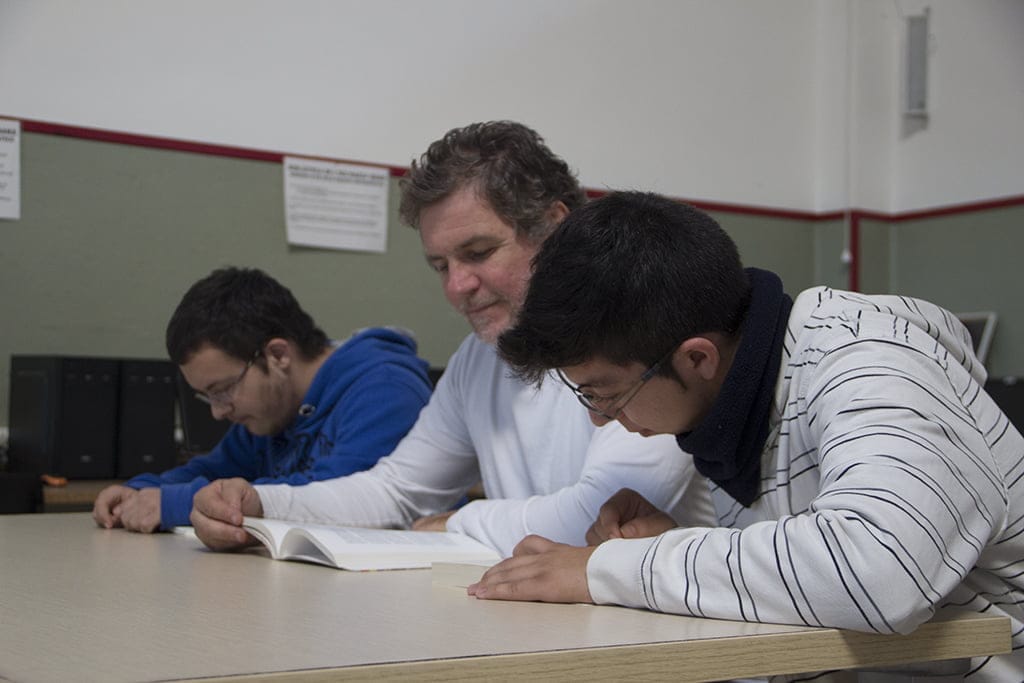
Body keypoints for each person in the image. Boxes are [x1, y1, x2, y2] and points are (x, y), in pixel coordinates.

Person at [471, 191, 1024, 680]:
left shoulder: (869, 361)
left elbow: (879, 571)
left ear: (696, 358)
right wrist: (673, 538)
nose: (599, 417)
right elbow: (814, 560)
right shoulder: (741, 395)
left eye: (605, 393)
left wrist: (608, 570)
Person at [189, 122, 713, 557]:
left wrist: (460, 521)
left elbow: (598, 517)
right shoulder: (479, 358)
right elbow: (397, 490)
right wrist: (261, 505)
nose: (457, 287)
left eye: (479, 252)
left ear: (556, 227)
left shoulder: (642, 332)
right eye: (441, 265)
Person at [92, 266, 433, 532]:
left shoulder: (385, 388)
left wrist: (174, 504)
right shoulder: (274, 411)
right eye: (207, 397)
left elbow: (342, 502)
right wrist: (141, 492)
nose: (218, 412)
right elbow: (214, 471)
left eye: (223, 389)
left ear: (278, 355)